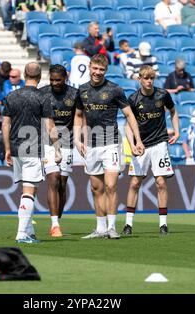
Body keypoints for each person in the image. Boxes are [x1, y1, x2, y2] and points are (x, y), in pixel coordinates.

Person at [74, 54, 145, 240]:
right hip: (91, 145)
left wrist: (137, 140)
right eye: (95, 68)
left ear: (106, 71)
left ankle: (112, 228)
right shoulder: (81, 90)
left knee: (111, 185)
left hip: (111, 143)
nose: (97, 72)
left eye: (101, 70)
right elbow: (78, 115)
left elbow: (129, 115)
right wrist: (77, 139)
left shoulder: (115, 89)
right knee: (96, 188)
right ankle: (100, 228)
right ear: (89, 67)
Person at [2, 62, 61, 244]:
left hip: (16, 147)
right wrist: (57, 148)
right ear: (40, 76)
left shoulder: (11, 96)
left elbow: (5, 124)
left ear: (25, 75)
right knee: (29, 190)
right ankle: (21, 234)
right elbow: (49, 125)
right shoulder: (43, 97)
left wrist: (7, 149)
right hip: (33, 148)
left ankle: (29, 230)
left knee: (29, 190)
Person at [122, 65, 180, 236]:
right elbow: (127, 126)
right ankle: (128, 224)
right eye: (145, 78)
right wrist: (132, 144)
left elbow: (173, 111)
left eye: (151, 78)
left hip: (159, 143)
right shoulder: (133, 99)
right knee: (134, 183)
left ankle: (163, 224)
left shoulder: (162, 95)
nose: (149, 81)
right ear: (139, 78)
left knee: (161, 183)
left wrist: (177, 131)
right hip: (141, 145)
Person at [39, 65, 79, 237]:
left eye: (58, 80)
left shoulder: (74, 94)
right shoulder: (42, 93)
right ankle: (54, 224)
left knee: (62, 184)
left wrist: (79, 139)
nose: (55, 83)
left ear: (65, 78)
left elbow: (79, 117)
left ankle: (57, 220)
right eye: (52, 80)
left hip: (68, 143)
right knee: (53, 180)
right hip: (48, 142)